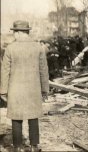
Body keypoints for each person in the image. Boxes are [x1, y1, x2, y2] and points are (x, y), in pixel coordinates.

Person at [0, 21, 49, 152]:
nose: (13, 35)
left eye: (14, 32)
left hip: (15, 90)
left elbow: (4, 71)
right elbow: (44, 71)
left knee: (16, 118)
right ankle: (34, 146)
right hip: (33, 89)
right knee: (33, 117)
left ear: (20, 32)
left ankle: (17, 147)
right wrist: (45, 90)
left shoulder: (10, 48)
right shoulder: (38, 47)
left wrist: (3, 91)